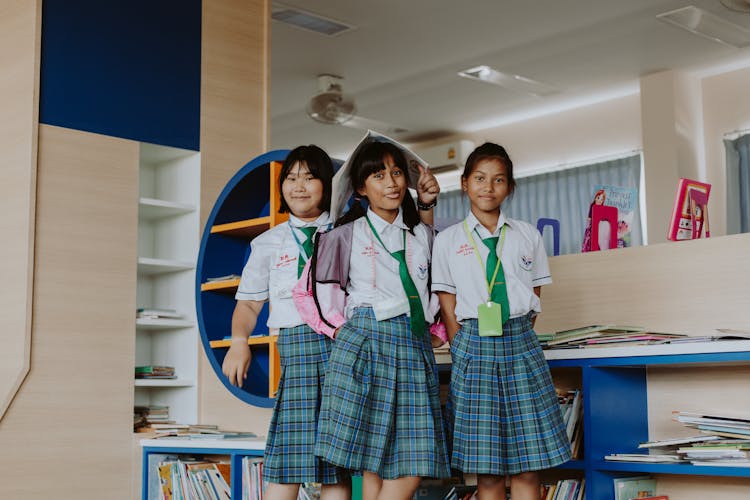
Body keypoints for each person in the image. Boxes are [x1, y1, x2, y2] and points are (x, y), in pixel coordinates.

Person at [296, 139, 450, 500]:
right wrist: (346, 332)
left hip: (413, 347)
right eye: (378, 176)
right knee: (374, 464)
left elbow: (439, 289)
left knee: (412, 462)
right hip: (365, 342)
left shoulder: (423, 236)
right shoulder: (342, 235)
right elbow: (312, 294)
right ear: (361, 188)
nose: (392, 182)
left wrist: (437, 332)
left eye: (396, 173)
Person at [431, 142, 570, 500]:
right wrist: (460, 341)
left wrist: (519, 332)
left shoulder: (527, 235)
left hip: (521, 342)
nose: (488, 187)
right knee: (487, 468)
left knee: (528, 464)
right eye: (479, 178)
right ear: (464, 183)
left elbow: (535, 294)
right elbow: (447, 299)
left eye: (498, 180)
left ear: (509, 187)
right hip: (473, 344)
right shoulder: (447, 241)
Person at [222, 145, 350, 500]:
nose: (299, 186)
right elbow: (249, 303)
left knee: (334, 465)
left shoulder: (348, 235)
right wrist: (238, 342)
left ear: (327, 185)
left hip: (342, 350)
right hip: (296, 352)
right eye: (291, 178)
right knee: (287, 459)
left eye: (310, 178)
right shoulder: (266, 243)